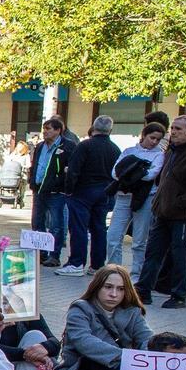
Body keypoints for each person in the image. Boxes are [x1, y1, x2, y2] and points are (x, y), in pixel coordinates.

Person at [136, 116, 186, 310]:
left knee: (180, 254)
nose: (174, 132)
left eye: (179, 129)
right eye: (173, 128)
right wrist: (159, 201)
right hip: (163, 211)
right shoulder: (171, 151)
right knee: (153, 252)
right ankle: (143, 290)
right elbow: (164, 179)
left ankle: (179, 294)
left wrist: (181, 202)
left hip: (182, 214)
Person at [51, 265, 153, 370]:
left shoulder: (132, 312)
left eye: (120, 289)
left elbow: (147, 338)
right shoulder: (80, 309)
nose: (114, 294)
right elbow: (84, 342)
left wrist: (146, 359)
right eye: (108, 287)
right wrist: (127, 357)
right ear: (97, 287)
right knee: (95, 361)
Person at [55, 116, 120, 275]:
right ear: (110, 130)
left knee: (79, 228)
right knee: (99, 229)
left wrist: (69, 190)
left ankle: (76, 262)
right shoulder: (114, 148)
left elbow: (73, 170)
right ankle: (97, 265)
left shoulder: (85, 146)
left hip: (83, 191)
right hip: (104, 191)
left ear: (93, 127)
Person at [107, 123, 165, 268]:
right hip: (124, 195)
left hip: (145, 198)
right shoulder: (129, 151)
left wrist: (130, 173)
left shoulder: (159, 154)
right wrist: (138, 172)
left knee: (140, 240)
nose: (154, 142)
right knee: (113, 236)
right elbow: (115, 173)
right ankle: (114, 269)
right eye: (152, 137)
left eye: (158, 139)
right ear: (144, 135)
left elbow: (152, 175)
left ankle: (137, 273)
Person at [32, 118, 78, 265]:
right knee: (37, 223)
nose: (45, 132)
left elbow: (71, 168)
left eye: (49, 129)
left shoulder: (68, 146)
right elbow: (36, 165)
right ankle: (41, 253)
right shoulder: (40, 146)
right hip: (39, 189)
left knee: (56, 225)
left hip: (56, 192)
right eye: (44, 129)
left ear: (58, 130)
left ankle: (54, 255)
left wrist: (63, 183)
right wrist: (32, 181)